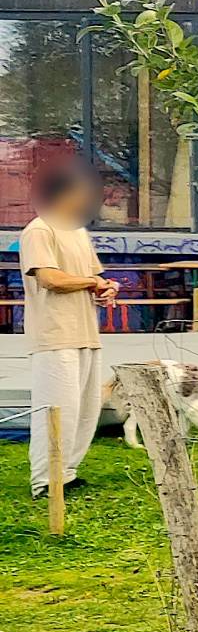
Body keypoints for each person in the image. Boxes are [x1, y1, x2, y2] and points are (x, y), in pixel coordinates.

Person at [17, 161, 115, 497]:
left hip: (86, 332)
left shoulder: (76, 231)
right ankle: (45, 482)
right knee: (57, 409)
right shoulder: (39, 230)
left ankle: (68, 473)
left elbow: (91, 279)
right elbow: (50, 278)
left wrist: (105, 288)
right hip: (54, 335)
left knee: (85, 410)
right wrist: (92, 281)